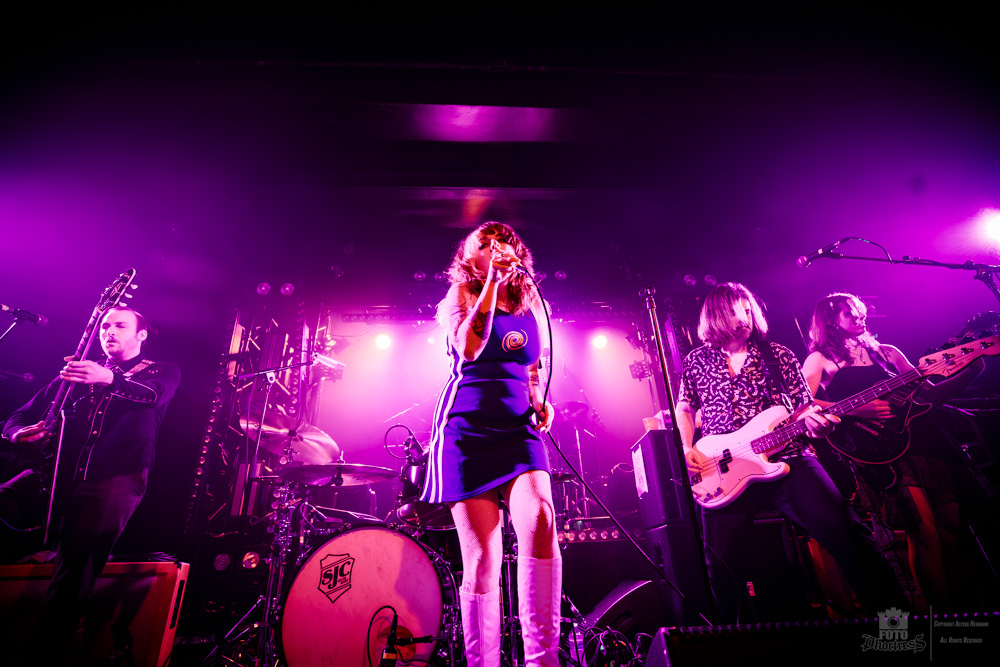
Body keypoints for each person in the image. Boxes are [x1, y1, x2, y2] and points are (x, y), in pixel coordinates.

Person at [676, 282, 903, 623]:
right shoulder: (697, 360)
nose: (745, 318)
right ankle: (733, 641)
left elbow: (803, 408)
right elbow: (685, 408)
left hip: (790, 459)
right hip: (722, 471)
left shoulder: (778, 354)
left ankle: (896, 632)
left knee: (849, 536)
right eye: (737, 311)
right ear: (718, 314)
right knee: (721, 567)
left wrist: (816, 424)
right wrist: (684, 447)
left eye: (749, 310)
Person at [2, 305, 181, 660]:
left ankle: (48, 650)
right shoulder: (82, 372)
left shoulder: (162, 370)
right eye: (104, 325)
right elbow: (20, 415)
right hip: (57, 473)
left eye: (120, 325)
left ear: (141, 334)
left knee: (74, 571)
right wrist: (17, 433)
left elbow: (153, 395)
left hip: (115, 478)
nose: (109, 331)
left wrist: (108, 378)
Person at [420, 222, 559, 667]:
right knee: (482, 558)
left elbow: (534, 363)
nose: (496, 247)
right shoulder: (459, 295)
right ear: (468, 254)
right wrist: (493, 286)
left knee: (540, 518)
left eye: (504, 240)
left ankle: (543, 661)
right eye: (485, 242)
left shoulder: (532, 301)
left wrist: (538, 397)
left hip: (518, 429)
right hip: (467, 430)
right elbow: (469, 348)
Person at [802, 292, 985, 609]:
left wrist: (971, 370)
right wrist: (856, 408)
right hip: (881, 450)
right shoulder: (820, 359)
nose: (860, 316)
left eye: (861, 311)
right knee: (924, 533)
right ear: (830, 320)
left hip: (925, 440)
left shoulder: (887, 353)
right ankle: (937, 620)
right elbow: (803, 403)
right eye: (850, 313)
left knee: (953, 531)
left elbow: (928, 395)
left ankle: (967, 611)